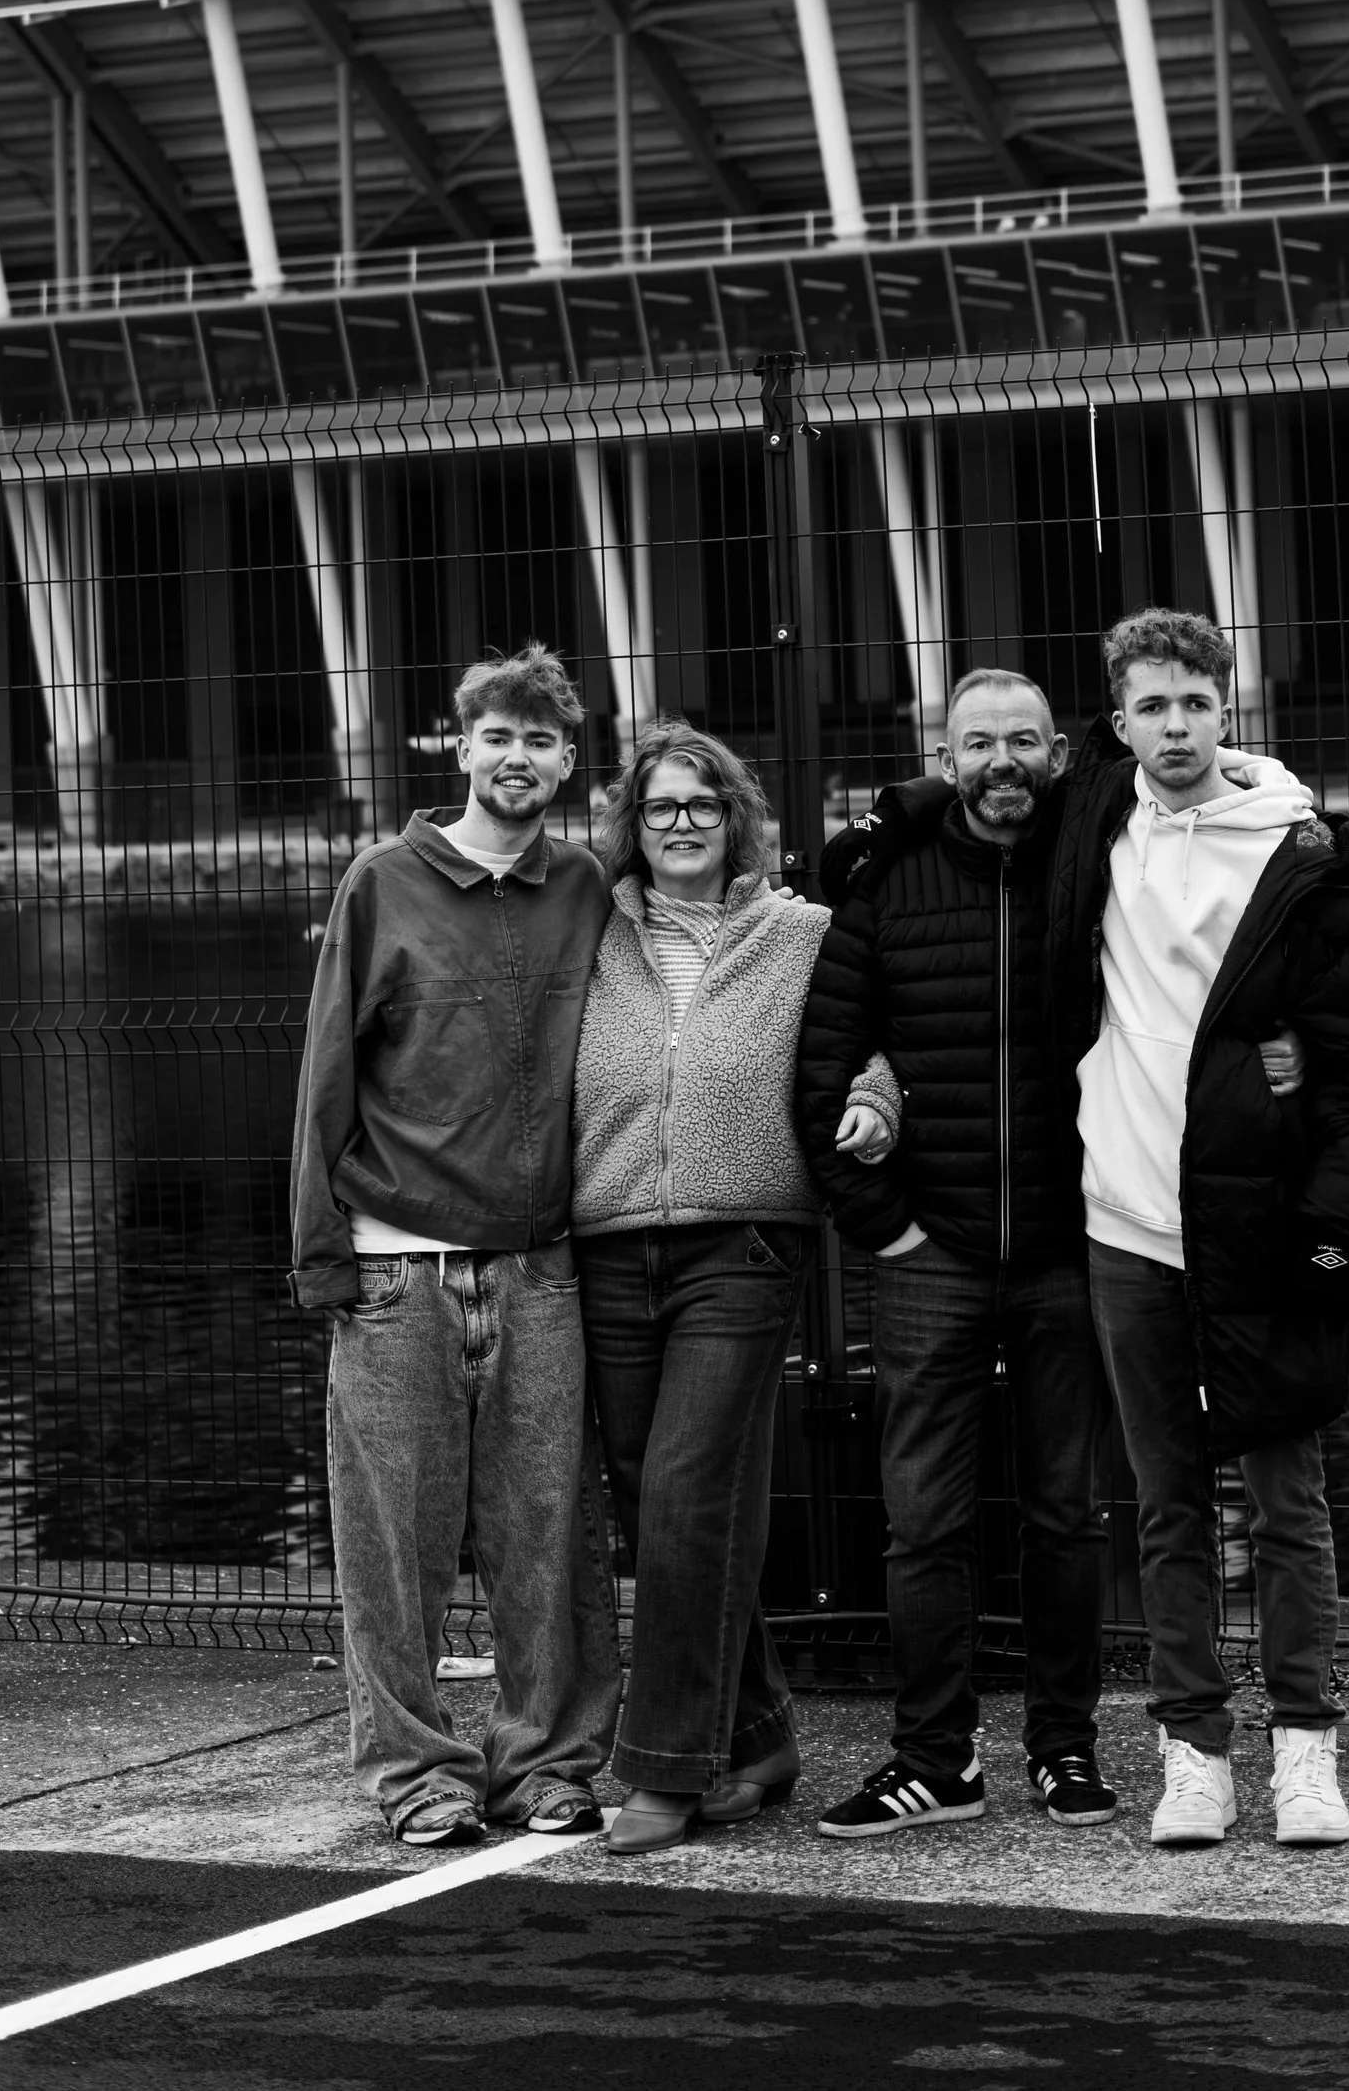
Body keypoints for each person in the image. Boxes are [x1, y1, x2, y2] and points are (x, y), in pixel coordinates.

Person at [1047, 604, 1349, 1853]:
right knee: (1164, 1502)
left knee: (1285, 1502)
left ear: (1227, 711)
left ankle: (1305, 1750)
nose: (1174, 727)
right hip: (1128, 1223)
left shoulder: (1303, 859)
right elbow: (973, 795)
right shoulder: (1093, 822)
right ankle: (1194, 1751)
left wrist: (1328, 1233)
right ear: (1117, 725)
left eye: (1193, 703)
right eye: (1149, 706)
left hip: (1259, 1231)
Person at [289, 643, 623, 1847]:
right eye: (499, 736)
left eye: (541, 740)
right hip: (394, 1270)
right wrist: (322, 1254)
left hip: (540, 1269)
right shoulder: (383, 881)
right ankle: (417, 1772)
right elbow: (328, 1071)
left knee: (550, 1534)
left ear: (567, 762)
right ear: (461, 746)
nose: (517, 758)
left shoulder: (582, 887)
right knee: (394, 1546)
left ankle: (547, 1763)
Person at [795, 667, 1119, 1838]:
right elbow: (819, 1070)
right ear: (945, 759)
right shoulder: (885, 886)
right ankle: (934, 1758)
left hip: (1071, 1246)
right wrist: (884, 1225)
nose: (1001, 762)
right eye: (977, 742)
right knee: (921, 1521)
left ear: (1057, 755)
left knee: (1064, 1514)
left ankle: (1064, 1749)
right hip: (929, 1252)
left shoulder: (1097, 870)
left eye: (1023, 741)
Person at [571, 720, 898, 1855]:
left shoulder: (798, 935)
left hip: (745, 1245)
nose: (679, 825)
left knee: (688, 1491)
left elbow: (872, 1042)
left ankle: (665, 1767)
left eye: (700, 806)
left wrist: (874, 1108)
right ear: (632, 823)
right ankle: (757, 1734)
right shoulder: (589, 932)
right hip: (606, 1240)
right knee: (649, 1502)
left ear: (735, 820)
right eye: (659, 807)